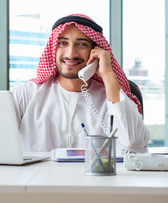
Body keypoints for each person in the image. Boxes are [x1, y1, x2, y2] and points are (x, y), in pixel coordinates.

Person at [12, 14, 149, 152]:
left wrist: (108, 74)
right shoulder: (25, 94)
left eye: (82, 44)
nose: (71, 54)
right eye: (63, 43)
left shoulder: (110, 96)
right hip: (37, 174)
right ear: (53, 49)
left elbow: (134, 144)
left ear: (95, 52)